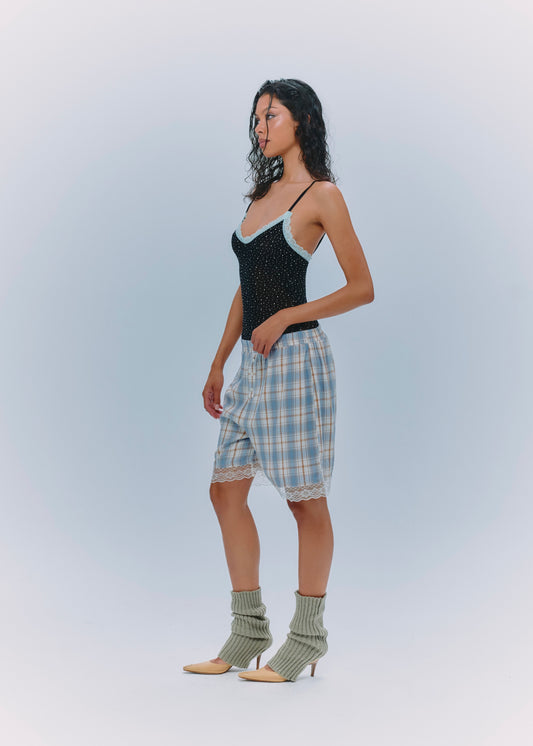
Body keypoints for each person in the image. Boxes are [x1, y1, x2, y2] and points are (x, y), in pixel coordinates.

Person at [183, 78, 374, 682]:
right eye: (256, 118)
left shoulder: (323, 196)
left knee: (304, 500)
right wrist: (218, 362)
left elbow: (362, 288)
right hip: (251, 364)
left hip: (295, 362)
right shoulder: (262, 196)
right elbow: (248, 287)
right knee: (225, 493)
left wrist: (290, 314)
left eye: (272, 116)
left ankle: (308, 638)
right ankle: (248, 630)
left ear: (303, 122)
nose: (260, 127)